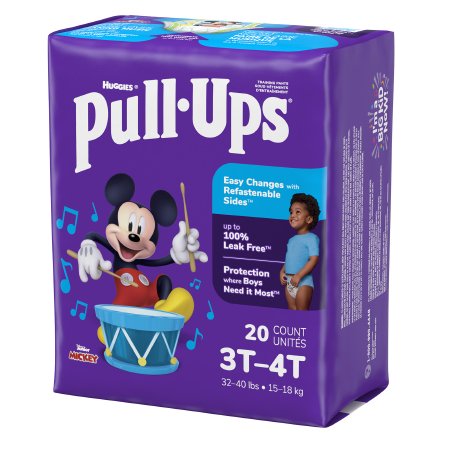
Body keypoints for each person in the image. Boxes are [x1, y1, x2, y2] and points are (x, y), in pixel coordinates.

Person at [280, 193, 320, 310]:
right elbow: (289, 259)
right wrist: (282, 271)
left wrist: (299, 275)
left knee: (301, 313)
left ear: (309, 219)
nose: (292, 215)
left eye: (298, 212)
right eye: (291, 212)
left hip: (303, 282)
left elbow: (313, 259)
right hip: (289, 282)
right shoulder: (291, 240)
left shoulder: (312, 238)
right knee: (292, 313)